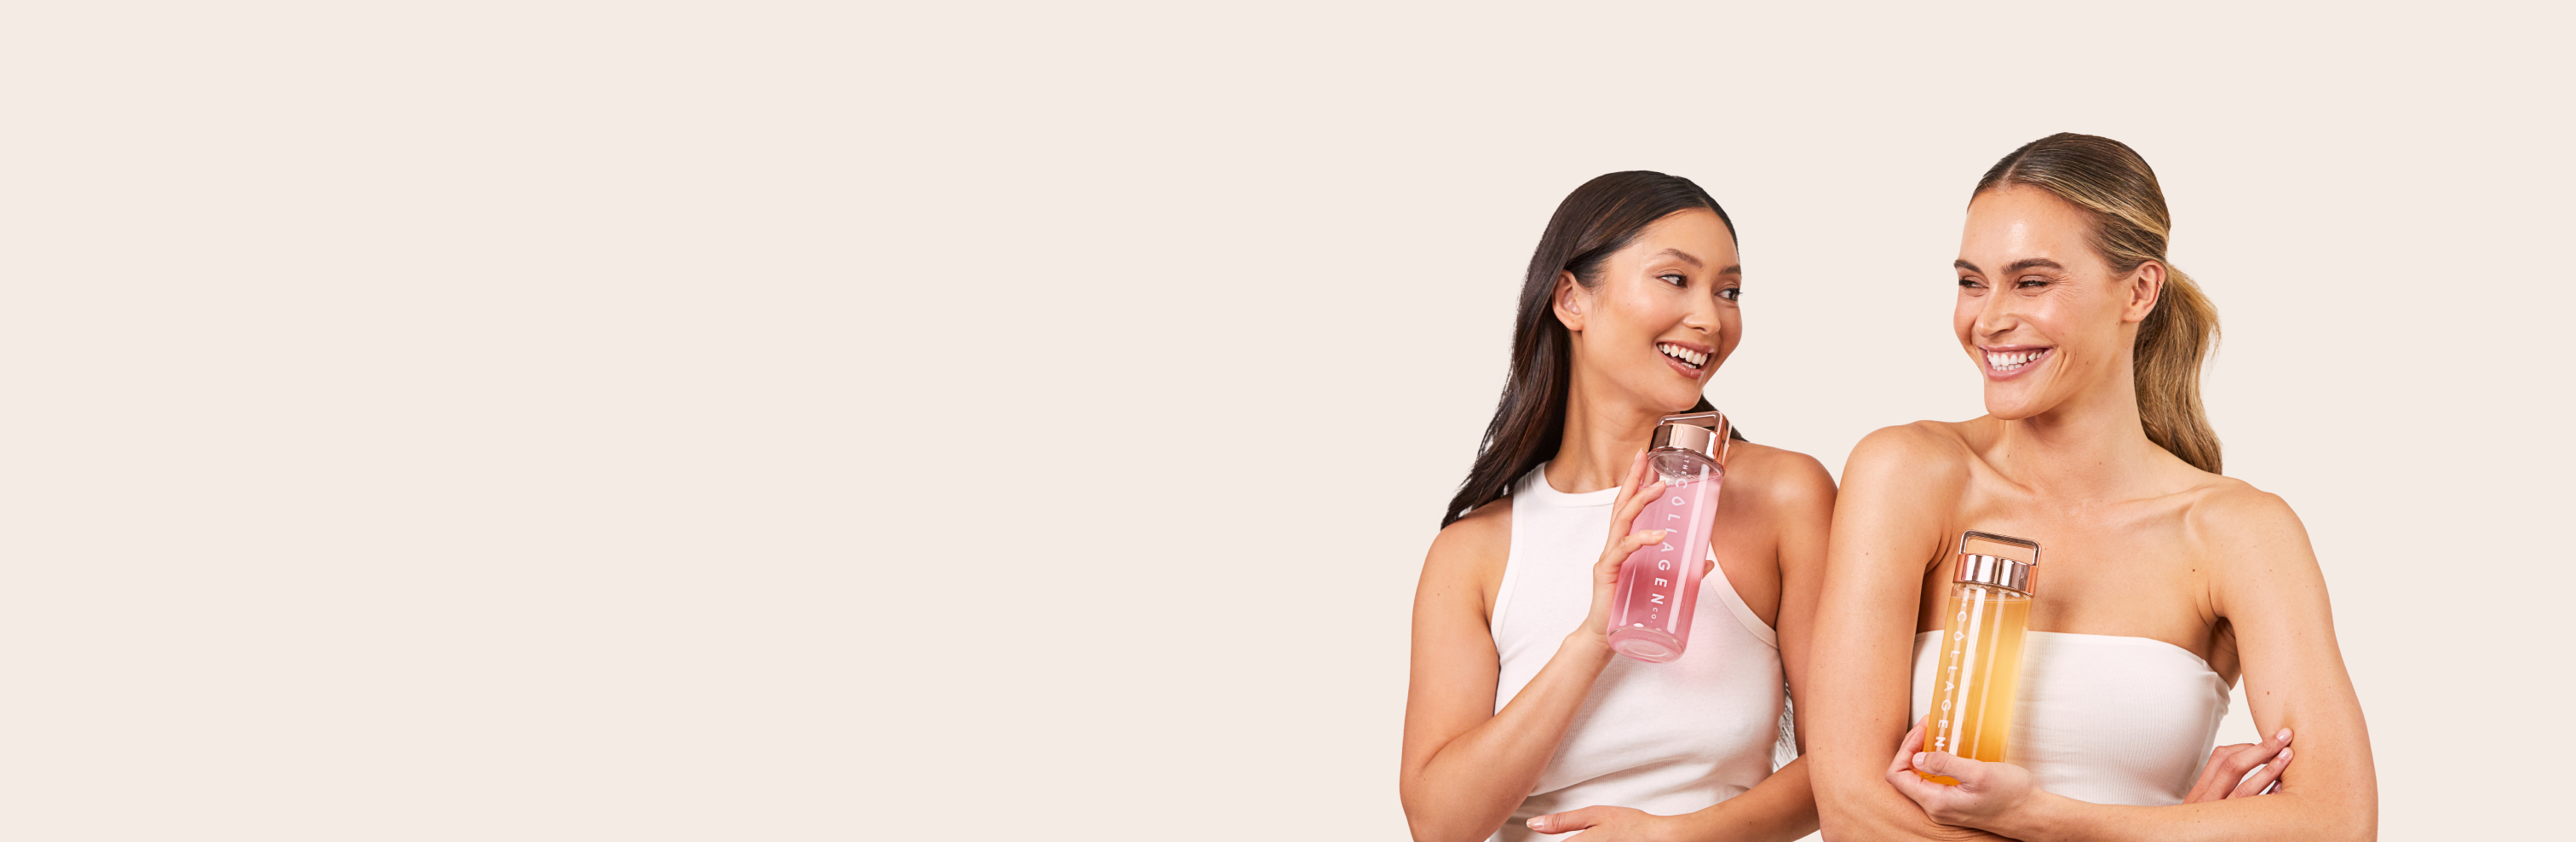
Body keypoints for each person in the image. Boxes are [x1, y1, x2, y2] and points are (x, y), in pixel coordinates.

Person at [1805, 134, 2379, 840]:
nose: (1987, 320)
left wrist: (2040, 817)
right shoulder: (1910, 474)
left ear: (2139, 290)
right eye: (1971, 281)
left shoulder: (2236, 531)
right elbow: (1853, 810)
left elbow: (2338, 821)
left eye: (2033, 282)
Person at [1400, 171, 1835, 842]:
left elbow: (1843, 762)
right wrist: (1595, 637)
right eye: (1675, 279)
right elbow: (1440, 822)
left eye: (1729, 291)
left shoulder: (1783, 495)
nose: (1710, 318)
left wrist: (1680, 836)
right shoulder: (1475, 551)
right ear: (1571, 299)